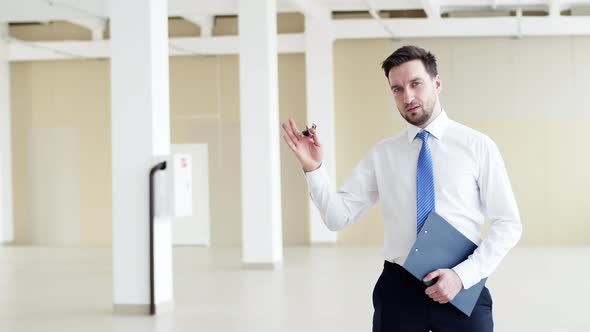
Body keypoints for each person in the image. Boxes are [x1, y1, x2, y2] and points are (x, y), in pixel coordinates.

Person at [281, 45, 522, 331]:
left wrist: (462, 276)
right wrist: (314, 168)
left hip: (462, 283)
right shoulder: (383, 154)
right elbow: (337, 218)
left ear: (437, 83)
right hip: (399, 290)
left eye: (415, 84)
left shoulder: (477, 146)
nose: (407, 96)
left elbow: (508, 224)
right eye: (397, 89)